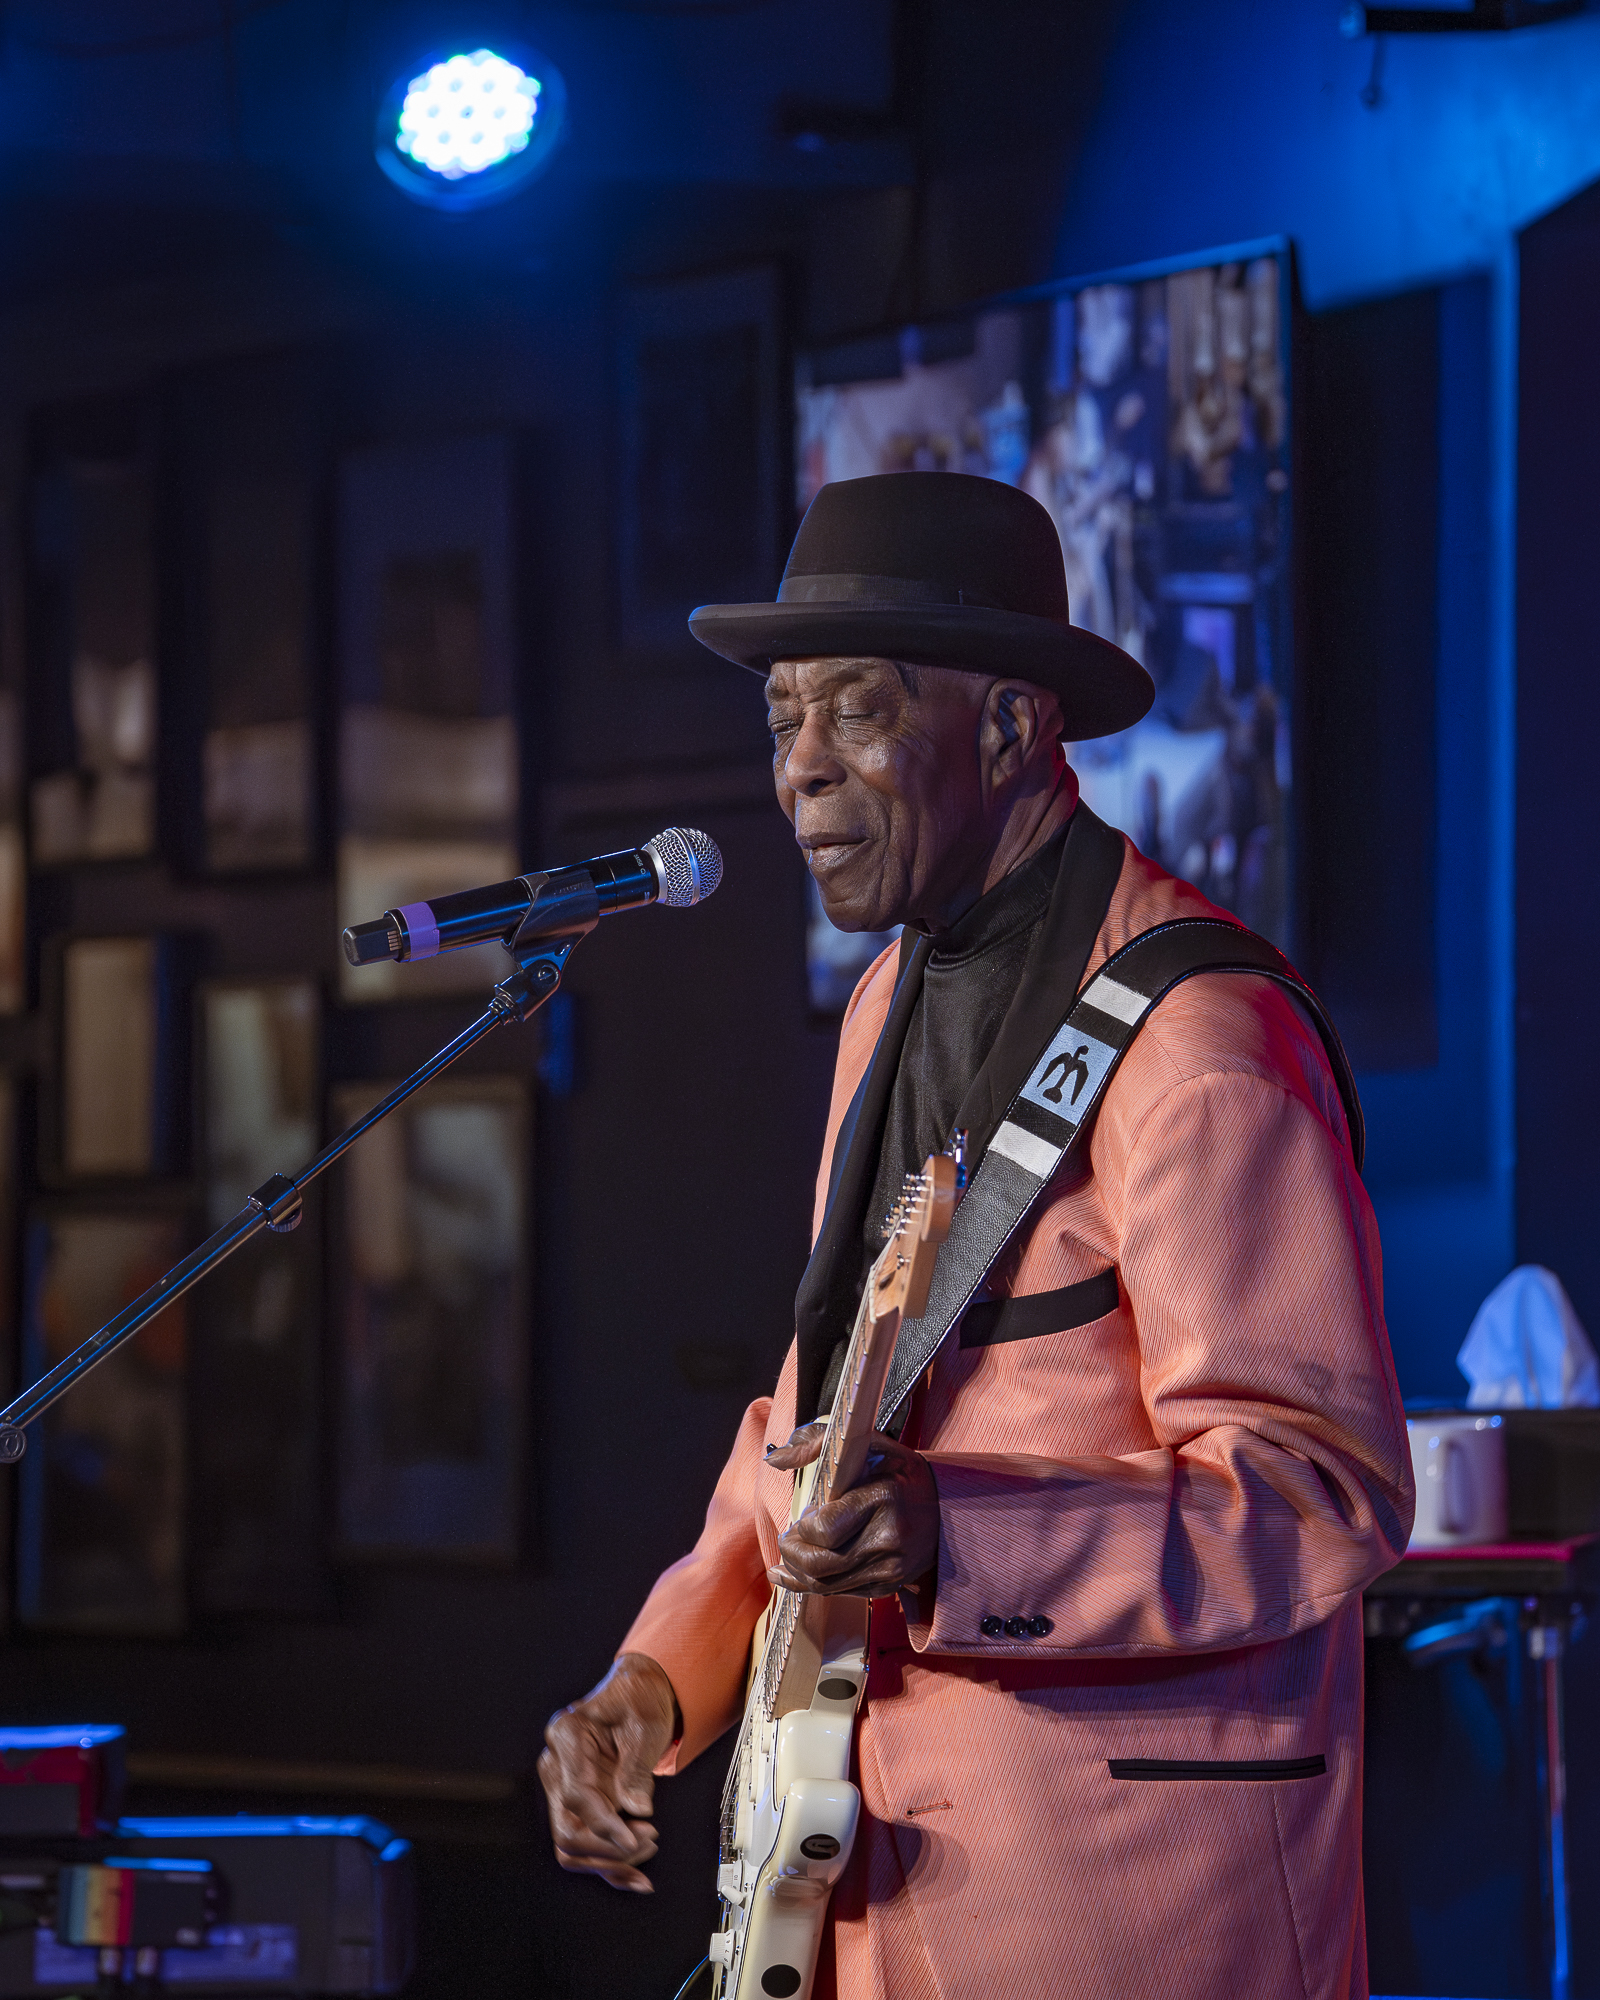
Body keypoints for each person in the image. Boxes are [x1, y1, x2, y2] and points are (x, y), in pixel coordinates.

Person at [539, 472, 1413, 2000]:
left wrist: (965, 1535)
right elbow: (821, 1419)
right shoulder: (888, 999)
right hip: (871, 1898)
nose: (799, 768)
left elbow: (1318, 1492)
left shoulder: (1199, 1045)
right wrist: (657, 1679)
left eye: (856, 710)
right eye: (782, 719)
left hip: (1132, 1914)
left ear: (1011, 727)